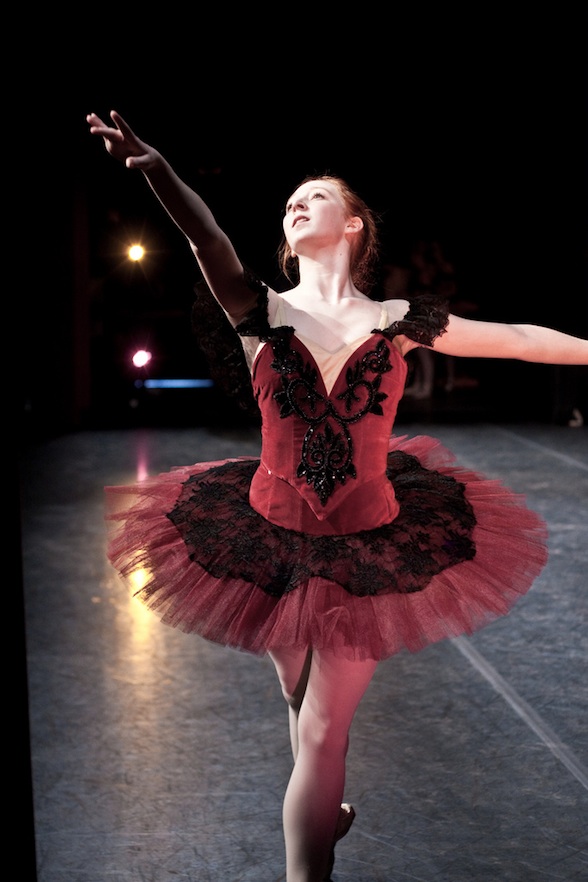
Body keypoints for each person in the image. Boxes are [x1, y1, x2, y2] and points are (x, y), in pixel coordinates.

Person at [87, 110, 588, 882]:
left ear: (352, 225)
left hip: (369, 546)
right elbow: (205, 238)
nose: (298, 202)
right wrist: (158, 170)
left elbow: (519, 338)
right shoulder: (260, 312)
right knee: (299, 703)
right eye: (291, 199)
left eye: (315, 194)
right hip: (266, 540)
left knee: (323, 731)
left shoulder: (397, 321)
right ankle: (324, 815)